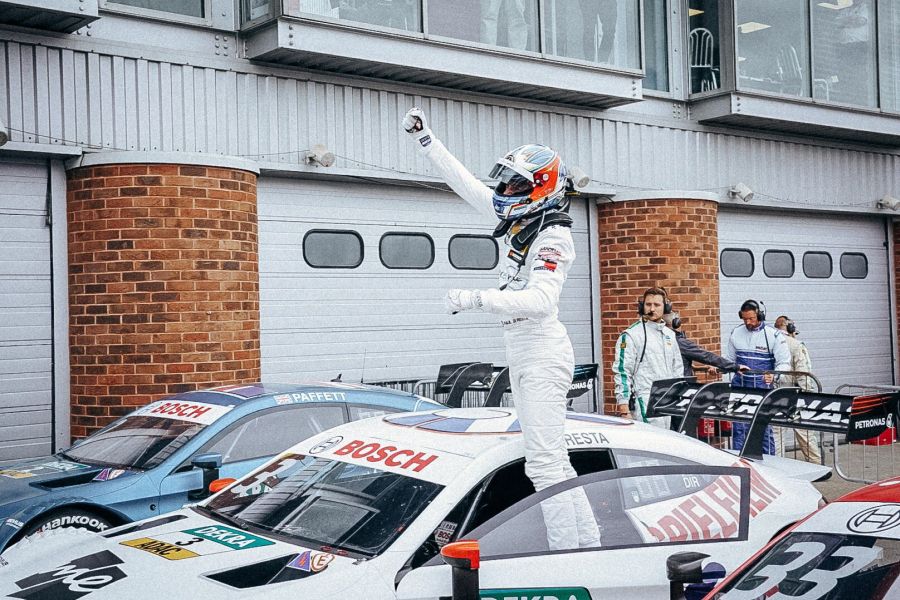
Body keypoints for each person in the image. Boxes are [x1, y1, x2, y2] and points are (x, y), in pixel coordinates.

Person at [401, 107, 600, 551]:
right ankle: (588, 543)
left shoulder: (554, 236)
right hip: (523, 348)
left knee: (545, 464)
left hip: (543, 351)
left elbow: (540, 301)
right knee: (553, 462)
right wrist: (426, 140)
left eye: (515, 184)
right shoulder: (523, 221)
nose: (505, 190)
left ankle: (569, 553)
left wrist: (475, 298)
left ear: (541, 188)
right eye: (506, 181)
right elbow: (467, 184)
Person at [724, 299, 790, 455]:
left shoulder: (774, 335)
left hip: (762, 388)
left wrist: (773, 376)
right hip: (739, 387)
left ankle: (769, 464)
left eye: (751, 318)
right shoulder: (736, 333)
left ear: (759, 315)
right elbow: (729, 359)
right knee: (739, 427)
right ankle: (739, 463)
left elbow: (785, 363)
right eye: (745, 319)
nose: (748, 322)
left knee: (763, 428)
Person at [612, 287, 683, 427]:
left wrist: (678, 395)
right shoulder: (631, 335)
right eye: (648, 304)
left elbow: (678, 368)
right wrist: (623, 408)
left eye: (657, 305)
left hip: (667, 400)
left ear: (666, 308)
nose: (652, 308)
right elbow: (622, 372)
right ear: (642, 306)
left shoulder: (670, 335)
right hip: (644, 398)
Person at [773, 315, 821, 463]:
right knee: (805, 431)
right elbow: (803, 374)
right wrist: (809, 395)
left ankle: (777, 469)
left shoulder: (769, 342)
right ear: (791, 329)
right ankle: (816, 466)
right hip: (795, 395)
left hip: (774, 395)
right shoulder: (796, 345)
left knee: (776, 435)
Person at [663, 311, 735, 377]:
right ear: (676, 323)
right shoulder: (681, 343)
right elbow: (706, 356)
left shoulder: (661, 341)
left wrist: (700, 367)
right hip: (681, 385)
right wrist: (734, 367)